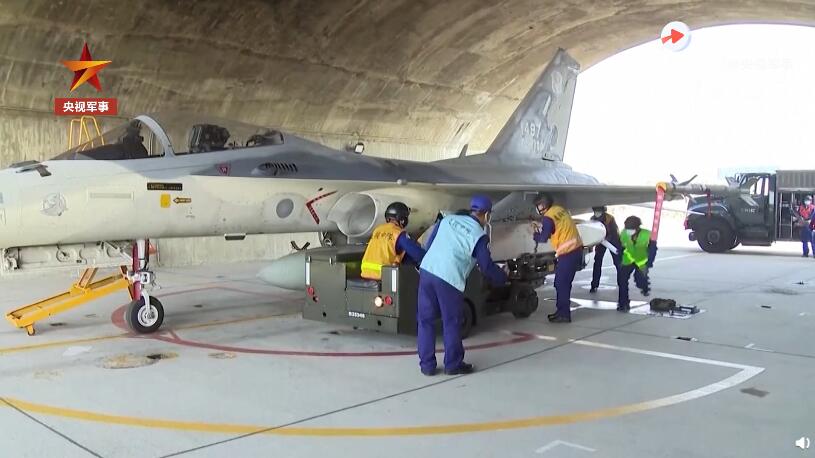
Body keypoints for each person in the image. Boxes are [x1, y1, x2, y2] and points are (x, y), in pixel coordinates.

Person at [417, 195, 508, 376]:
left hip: (427, 271)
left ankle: (427, 366)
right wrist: (502, 277)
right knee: (451, 322)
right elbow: (486, 266)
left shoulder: (447, 220)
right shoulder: (479, 236)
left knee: (425, 320)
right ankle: (453, 364)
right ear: (487, 215)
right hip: (449, 279)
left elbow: (430, 243)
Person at [531, 193, 583, 323]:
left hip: (567, 253)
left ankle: (563, 314)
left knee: (560, 284)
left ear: (543, 205)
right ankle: (562, 312)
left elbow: (543, 238)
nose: (537, 208)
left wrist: (535, 235)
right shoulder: (560, 209)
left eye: (538, 206)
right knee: (565, 283)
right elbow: (557, 228)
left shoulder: (548, 218)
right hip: (577, 250)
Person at [360, 202, 426, 280]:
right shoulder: (398, 233)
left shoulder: (378, 230)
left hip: (365, 274)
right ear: (402, 220)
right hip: (384, 278)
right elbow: (419, 255)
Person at [617, 216, 658, 312]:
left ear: (638, 227)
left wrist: (649, 263)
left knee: (640, 280)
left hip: (641, 262)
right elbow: (621, 247)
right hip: (628, 260)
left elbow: (653, 250)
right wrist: (620, 260)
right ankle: (623, 303)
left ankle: (644, 287)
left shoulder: (647, 234)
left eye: (631, 228)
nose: (629, 230)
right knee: (622, 281)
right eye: (627, 228)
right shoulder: (624, 233)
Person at [589, 206, 621, 293]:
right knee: (597, 262)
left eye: (598, 211)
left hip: (613, 241)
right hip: (600, 241)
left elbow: (615, 232)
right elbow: (591, 231)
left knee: (618, 263)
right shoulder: (592, 219)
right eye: (595, 211)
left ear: (603, 211)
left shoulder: (610, 218)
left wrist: (606, 239)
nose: (597, 212)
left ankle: (622, 284)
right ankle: (594, 285)